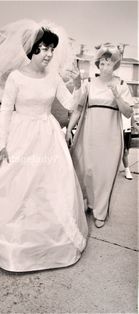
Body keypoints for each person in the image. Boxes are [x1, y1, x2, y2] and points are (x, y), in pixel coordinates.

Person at [0, 20, 88, 272]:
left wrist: (79, 84)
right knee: (14, 185)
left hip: (47, 136)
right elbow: (4, 112)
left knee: (47, 187)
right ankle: (13, 239)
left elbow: (70, 104)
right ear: (33, 49)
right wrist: (1, 144)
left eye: (52, 49)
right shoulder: (15, 77)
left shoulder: (54, 77)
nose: (50, 54)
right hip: (19, 133)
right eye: (45, 49)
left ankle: (46, 240)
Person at [66, 43, 134, 228]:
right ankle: (87, 203)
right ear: (97, 64)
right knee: (86, 171)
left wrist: (117, 96)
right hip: (89, 133)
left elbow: (128, 113)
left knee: (105, 173)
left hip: (110, 137)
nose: (105, 67)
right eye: (102, 63)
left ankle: (100, 212)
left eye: (109, 64)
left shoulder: (121, 85)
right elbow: (79, 109)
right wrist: (69, 131)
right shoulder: (88, 84)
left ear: (115, 65)